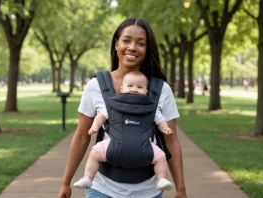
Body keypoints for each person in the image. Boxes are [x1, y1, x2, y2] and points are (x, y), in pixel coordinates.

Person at [58, 18, 187, 198]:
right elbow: (81, 136)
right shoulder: (96, 86)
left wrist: (181, 188)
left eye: (140, 43)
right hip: (102, 189)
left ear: (147, 49)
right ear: (116, 44)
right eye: (126, 40)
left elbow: (171, 141)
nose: (132, 47)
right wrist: (65, 183)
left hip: (148, 192)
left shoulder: (160, 89)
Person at [73, 71, 173, 191]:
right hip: (113, 144)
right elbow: (101, 116)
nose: (134, 89)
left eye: (140, 87)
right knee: (95, 153)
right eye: (130, 86)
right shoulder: (113, 103)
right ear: (121, 88)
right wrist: (95, 126)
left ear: (146, 92)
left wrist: (165, 128)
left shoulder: (150, 106)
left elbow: (160, 119)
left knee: (161, 157)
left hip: (145, 147)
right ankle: (88, 178)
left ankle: (161, 179)